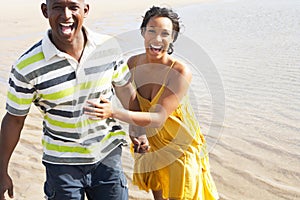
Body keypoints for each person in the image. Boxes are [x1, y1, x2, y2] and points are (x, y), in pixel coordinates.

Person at [0, 0, 136, 199]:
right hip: (62, 167)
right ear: (45, 11)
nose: (66, 15)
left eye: (73, 7)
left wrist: (139, 131)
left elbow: (126, 92)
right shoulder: (26, 66)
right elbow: (14, 119)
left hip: (108, 159)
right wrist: (2, 171)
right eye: (57, 7)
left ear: (85, 10)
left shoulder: (108, 47)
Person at [85, 6, 219, 200]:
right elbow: (130, 102)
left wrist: (112, 112)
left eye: (165, 34)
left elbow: (158, 118)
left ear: (173, 38)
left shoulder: (180, 72)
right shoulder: (132, 63)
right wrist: (136, 132)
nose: (157, 39)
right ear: (142, 32)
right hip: (151, 145)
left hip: (178, 148)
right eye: (152, 31)